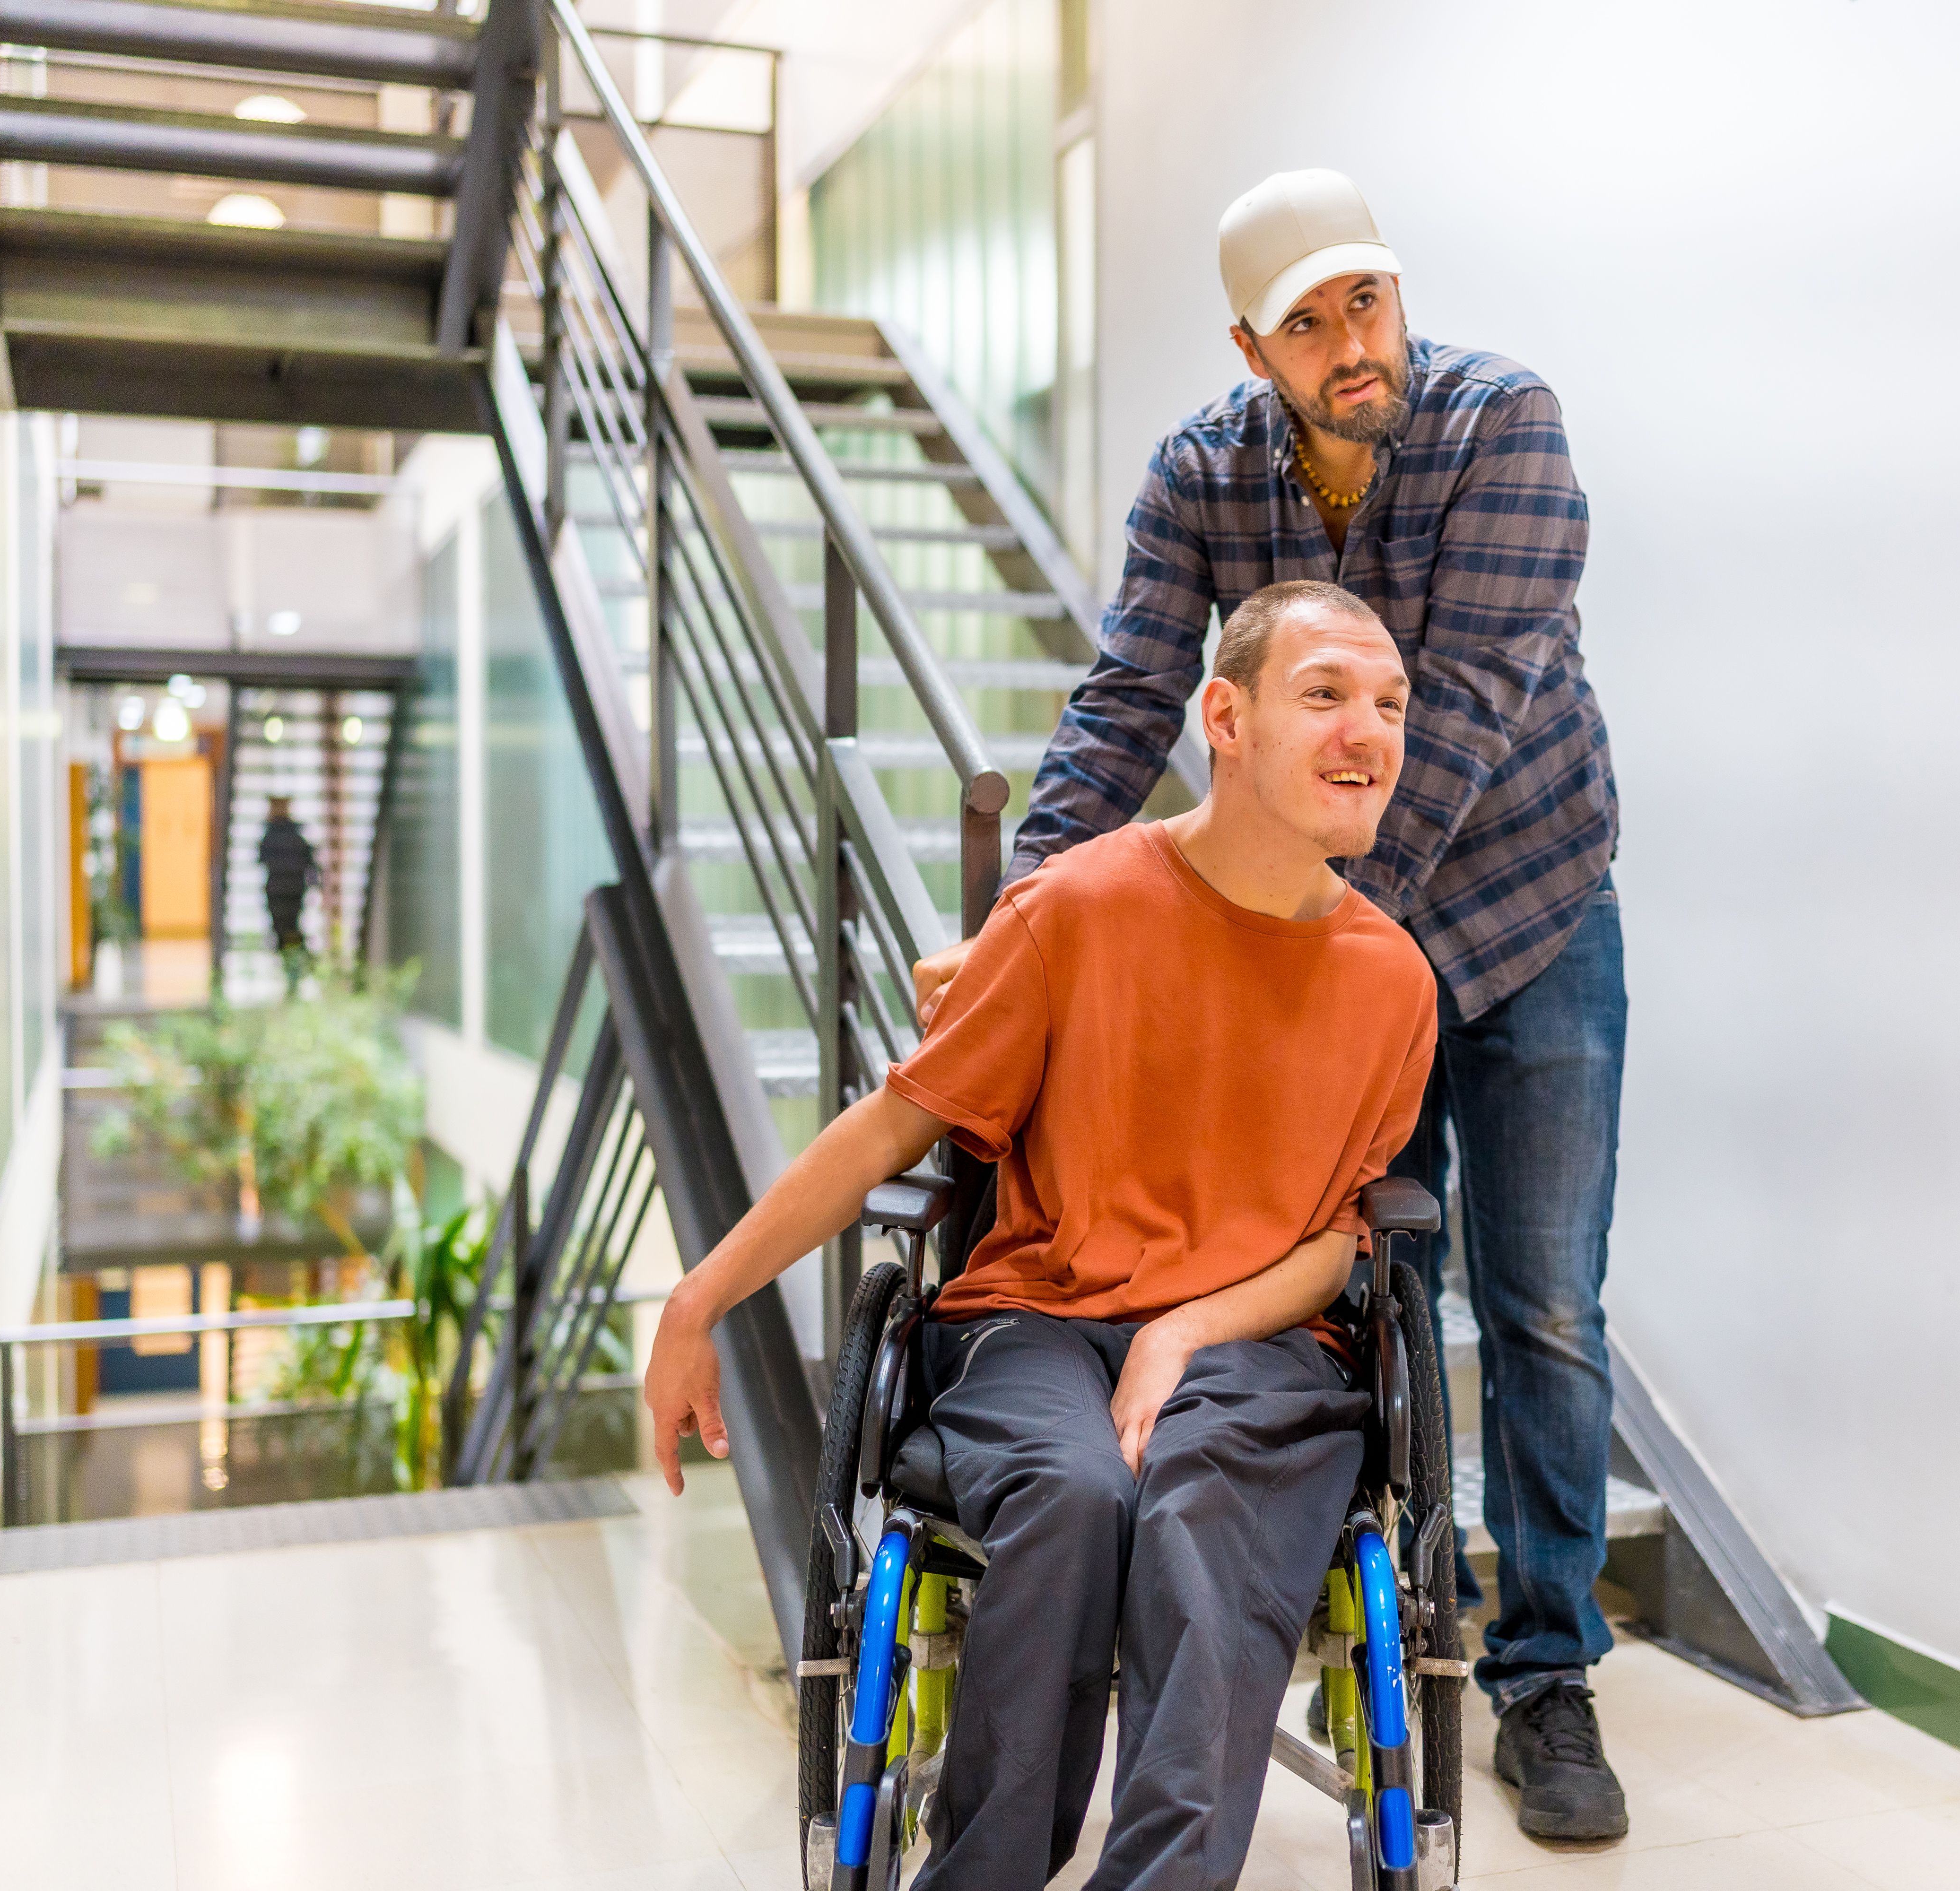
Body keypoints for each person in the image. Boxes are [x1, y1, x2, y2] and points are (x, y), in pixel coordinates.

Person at [911, 168, 1629, 1840]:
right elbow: (1123, 707)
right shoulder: (1201, 476)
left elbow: (1441, 732)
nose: (1351, 342)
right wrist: (1030, 923)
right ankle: (1373, 1588)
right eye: (1307, 324)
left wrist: (1245, 950)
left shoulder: (1502, 425)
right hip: (1329, 943)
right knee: (1356, 1271)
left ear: (1397, 292)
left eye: (1365, 300)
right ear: (1257, 349)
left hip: (1525, 915)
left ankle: (1547, 1676)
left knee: (1545, 1310)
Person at [648, 582, 1437, 1890]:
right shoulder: (1076, 909)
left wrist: (1181, 1332)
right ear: (1225, 719)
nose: (1368, 733)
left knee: (1196, 1520)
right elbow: (891, 1128)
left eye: (1391, 706)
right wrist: (699, 1299)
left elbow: (1337, 1242)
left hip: (1258, 1340)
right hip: (1035, 1325)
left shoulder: (1391, 979)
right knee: (1073, 1497)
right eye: (1327, 696)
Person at [258, 796, 316, 964]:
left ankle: (293, 959)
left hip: (285, 889)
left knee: (286, 926)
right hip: (288, 888)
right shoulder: (289, 835)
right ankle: (292, 959)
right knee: (287, 926)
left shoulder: (275, 835)